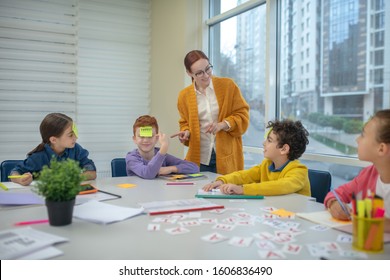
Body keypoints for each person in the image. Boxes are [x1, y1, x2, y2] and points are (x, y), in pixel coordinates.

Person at [171, 50, 249, 175]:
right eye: (199, 73)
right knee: (198, 193)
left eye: (208, 69)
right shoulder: (184, 96)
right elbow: (185, 122)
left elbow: (243, 115)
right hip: (200, 158)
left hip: (227, 157)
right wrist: (186, 132)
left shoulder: (228, 86)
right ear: (189, 73)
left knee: (227, 191)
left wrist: (223, 124)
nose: (206, 75)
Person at [203, 119, 310, 196]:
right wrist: (223, 181)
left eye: (269, 140)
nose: (264, 143)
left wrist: (243, 189)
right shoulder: (267, 165)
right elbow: (244, 175)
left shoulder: (299, 171)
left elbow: (280, 186)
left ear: (284, 149)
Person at [324, 109, 390, 232]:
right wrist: (334, 203)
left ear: (381, 149)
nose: (357, 139)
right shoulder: (369, 174)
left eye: (363, 135)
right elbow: (337, 193)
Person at [10, 113, 97, 186]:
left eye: (75, 133)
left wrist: (72, 177)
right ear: (53, 140)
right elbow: (14, 172)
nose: (76, 137)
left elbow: (92, 173)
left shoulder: (76, 149)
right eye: (70, 135)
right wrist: (20, 179)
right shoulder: (39, 156)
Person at [126, 115, 199, 179]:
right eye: (141, 137)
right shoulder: (131, 158)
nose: (145, 140)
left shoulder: (161, 155)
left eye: (150, 136)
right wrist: (163, 148)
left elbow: (195, 167)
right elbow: (148, 174)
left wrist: (170, 169)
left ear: (156, 138)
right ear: (135, 139)